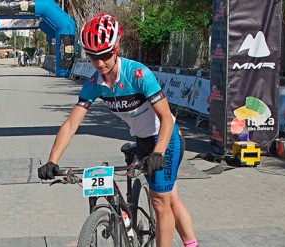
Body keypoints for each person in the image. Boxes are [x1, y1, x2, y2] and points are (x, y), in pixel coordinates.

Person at [37, 13, 198, 247]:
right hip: (142, 140)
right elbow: (72, 124)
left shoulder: (138, 75)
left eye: (104, 55)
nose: (100, 63)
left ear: (116, 49)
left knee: (160, 201)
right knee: (170, 197)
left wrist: (158, 152)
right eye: (93, 57)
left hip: (165, 138)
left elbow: (166, 118)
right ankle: (191, 243)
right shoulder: (95, 84)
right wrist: (52, 160)